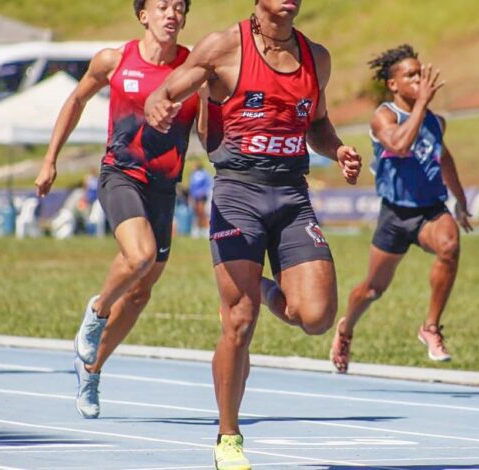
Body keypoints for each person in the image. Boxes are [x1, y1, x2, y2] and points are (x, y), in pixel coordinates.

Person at [145, 1, 362, 467]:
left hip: (291, 194)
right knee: (239, 323)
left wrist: (338, 148)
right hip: (238, 192)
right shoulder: (224, 46)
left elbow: (318, 123)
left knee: (318, 316)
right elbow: (163, 93)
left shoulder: (316, 57)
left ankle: (262, 289)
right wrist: (159, 107)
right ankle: (229, 436)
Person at [34, 0, 200, 419]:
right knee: (139, 255)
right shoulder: (114, 60)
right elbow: (75, 100)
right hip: (121, 174)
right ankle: (98, 310)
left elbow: (211, 125)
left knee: (142, 292)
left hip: (166, 186)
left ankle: (90, 368)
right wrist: (50, 159)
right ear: (143, 15)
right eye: (162, 6)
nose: (171, 13)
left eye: (179, 7)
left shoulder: (195, 68)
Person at [329, 45, 473, 374]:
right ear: (393, 84)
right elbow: (399, 144)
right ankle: (346, 328)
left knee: (449, 246)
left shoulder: (436, 122)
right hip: (395, 215)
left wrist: (461, 201)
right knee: (372, 289)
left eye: (421, 74)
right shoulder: (384, 116)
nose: (420, 80)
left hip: (430, 211)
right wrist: (421, 103)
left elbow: (445, 159)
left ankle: (431, 327)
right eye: (411, 75)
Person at [187, 161, 212, 237]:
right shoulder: (193, 175)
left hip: (202, 196)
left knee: (202, 212)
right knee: (196, 213)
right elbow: (191, 186)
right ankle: (197, 229)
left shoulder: (204, 174)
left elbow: (208, 184)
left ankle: (206, 229)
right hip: (195, 197)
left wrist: (203, 192)